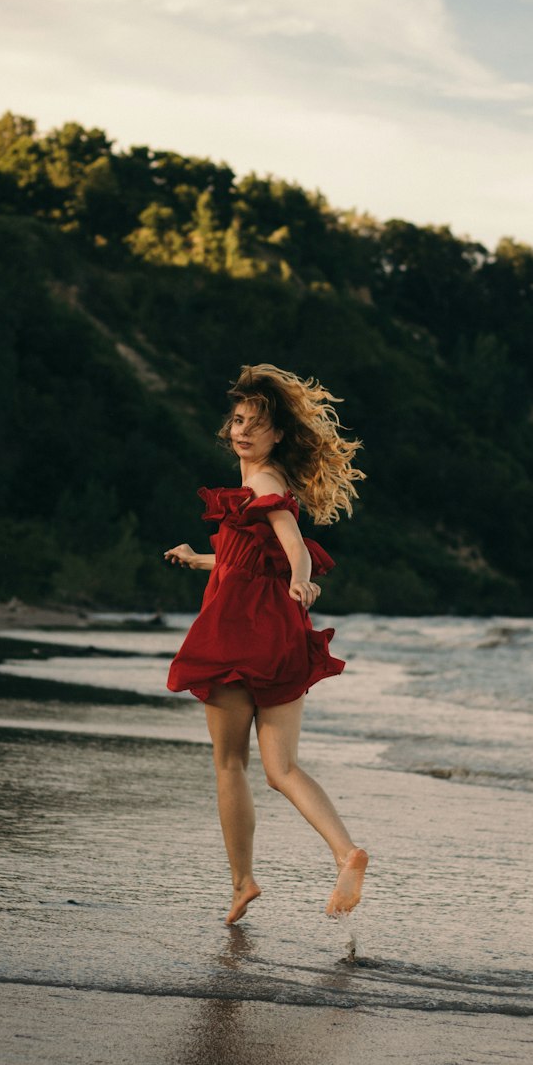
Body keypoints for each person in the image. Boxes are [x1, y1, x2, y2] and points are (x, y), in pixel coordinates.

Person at [165, 364, 369, 925]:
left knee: (230, 763)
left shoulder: (265, 484)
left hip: (235, 630)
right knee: (282, 769)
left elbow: (293, 542)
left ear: (277, 434)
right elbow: (246, 559)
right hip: (278, 631)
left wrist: (302, 575)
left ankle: (243, 882)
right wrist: (199, 557)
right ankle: (344, 851)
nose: (242, 432)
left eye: (256, 424)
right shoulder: (260, 484)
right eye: (237, 420)